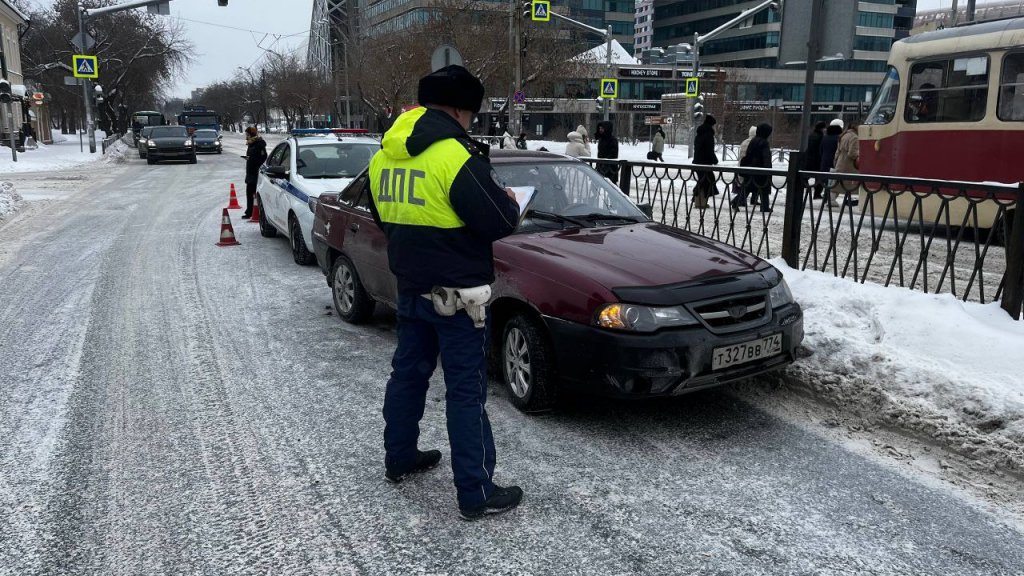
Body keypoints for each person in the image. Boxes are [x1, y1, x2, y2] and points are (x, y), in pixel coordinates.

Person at [367, 65, 523, 521]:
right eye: (471, 113)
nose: (471, 121)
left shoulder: (384, 156)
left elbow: (384, 218)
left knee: (407, 376)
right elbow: (500, 221)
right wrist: (511, 202)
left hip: (411, 289)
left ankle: (400, 457)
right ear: (459, 110)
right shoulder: (454, 156)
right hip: (460, 300)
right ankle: (476, 492)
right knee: (465, 392)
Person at [734, 123, 773, 212]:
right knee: (764, 188)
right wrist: (768, 169)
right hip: (761, 169)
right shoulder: (764, 142)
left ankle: (736, 201)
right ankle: (765, 206)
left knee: (747, 188)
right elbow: (766, 157)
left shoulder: (753, 140)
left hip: (751, 168)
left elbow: (748, 154)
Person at [692, 115, 719, 210]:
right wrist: (715, 160)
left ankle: (698, 201)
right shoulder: (708, 135)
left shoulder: (699, 134)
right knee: (707, 181)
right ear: (711, 125)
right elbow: (709, 150)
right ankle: (701, 203)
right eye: (714, 125)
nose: (714, 127)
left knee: (703, 181)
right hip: (705, 162)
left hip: (698, 161)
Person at [833, 119, 861, 207]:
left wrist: (835, 160)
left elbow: (838, 151)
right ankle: (849, 200)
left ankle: (831, 199)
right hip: (849, 164)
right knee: (850, 183)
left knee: (838, 182)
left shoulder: (844, 135)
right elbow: (852, 153)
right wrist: (860, 154)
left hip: (840, 161)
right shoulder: (855, 137)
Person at [241, 126, 267, 219]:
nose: (246, 136)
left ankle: (254, 212)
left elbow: (263, 157)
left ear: (251, 134)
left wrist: (252, 160)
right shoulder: (251, 144)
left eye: (247, 134)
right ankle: (250, 211)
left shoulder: (259, 144)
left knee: (254, 193)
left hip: (255, 173)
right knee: (249, 193)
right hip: (251, 172)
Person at [820, 119, 844, 203]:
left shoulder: (825, 137)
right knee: (832, 181)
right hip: (834, 162)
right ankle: (829, 198)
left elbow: (821, 150)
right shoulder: (839, 138)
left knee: (826, 180)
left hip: (824, 161)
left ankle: (826, 197)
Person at [804, 121, 827, 199]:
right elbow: (820, 149)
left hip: (809, 158)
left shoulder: (811, 135)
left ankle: (805, 188)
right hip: (817, 159)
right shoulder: (821, 137)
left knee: (806, 175)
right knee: (819, 177)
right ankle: (817, 194)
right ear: (822, 128)